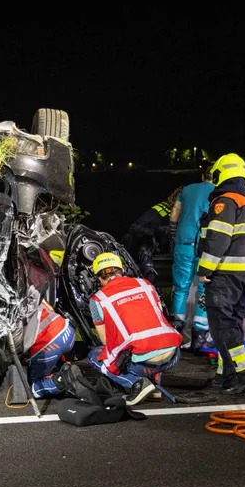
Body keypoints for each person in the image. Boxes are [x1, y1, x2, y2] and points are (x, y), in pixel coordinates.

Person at [197, 154, 245, 395]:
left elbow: (218, 240)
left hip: (223, 276)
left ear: (222, 174)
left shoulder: (224, 202)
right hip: (242, 277)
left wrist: (204, 270)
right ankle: (226, 375)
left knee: (222, 328)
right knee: (231, 326)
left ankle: (244, 376)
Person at [86, 252, 182, 405]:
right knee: (151, 338)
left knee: (95, 356)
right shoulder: (145, 284)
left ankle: (136, 383)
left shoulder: (98, 299)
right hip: (173, 354)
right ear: (122, 270)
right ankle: (155, 387)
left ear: (99, 278)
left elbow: (105, 341)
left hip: (144, 363)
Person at [168, 170, 215, 351]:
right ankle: (199, 337)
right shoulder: (218, 192)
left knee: (180, 288)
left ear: (203, 176)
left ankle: (176, 333)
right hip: (206, 244)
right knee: (204, 289)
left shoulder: (186, 189)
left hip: (184, 242)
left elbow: (174, 214)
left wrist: (174, 233)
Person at [121, 186, 183, 283]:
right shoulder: (159, 210)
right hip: (147, 251)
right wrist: (156, 231)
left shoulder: (185, 214)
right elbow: (134, 228)